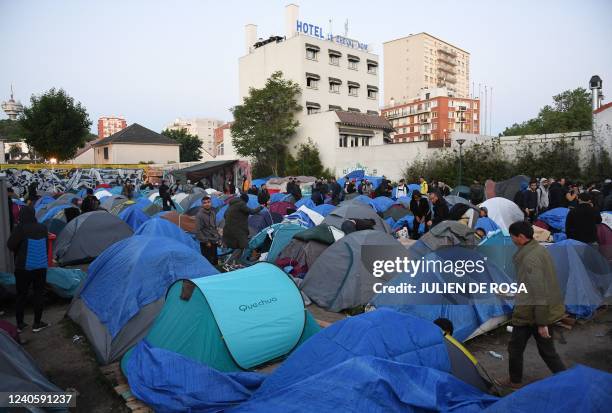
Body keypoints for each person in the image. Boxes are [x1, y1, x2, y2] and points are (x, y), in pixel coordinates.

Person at [504, 221, 566, 388]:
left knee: (519, 349)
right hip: (540, 310)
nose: (511, 240)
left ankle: (515, 381)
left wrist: (541, 323)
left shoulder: (530, 258)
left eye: (512, 237)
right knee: (546, 351)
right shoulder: (539, 249)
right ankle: (567, 380)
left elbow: (538, 292)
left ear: (521, 237)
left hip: (532, 313)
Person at [6, 206, 50, 333]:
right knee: (39, 294)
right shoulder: (42, 227)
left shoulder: (20, 228)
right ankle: (37, 323)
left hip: (23, 267)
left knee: (21, 295)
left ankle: (20, 324)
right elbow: (46, 246)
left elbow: (10, 245)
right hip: (40, 266)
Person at [223, 193, 263, 265]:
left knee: (236, 245)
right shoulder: (241, 204)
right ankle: (230, 262)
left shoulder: (231, 204)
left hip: (228, 229)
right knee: (242, 246)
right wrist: (261, 207)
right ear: (246, 200)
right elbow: (252, 211)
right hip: (237, 230)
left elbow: (225, 215)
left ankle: (235, 261)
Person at [195, 196, 220, 265]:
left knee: (215, 260)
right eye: (205, 203)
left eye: (208, 202)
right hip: (206, 242)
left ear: (211, 203)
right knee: (208, 261)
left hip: (214, 240)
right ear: (202, 204)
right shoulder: (199, 215)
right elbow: (198, 230)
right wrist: (206, 241)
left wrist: (218, 237)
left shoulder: (213, 213)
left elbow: (214, 227)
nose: (207, 204)